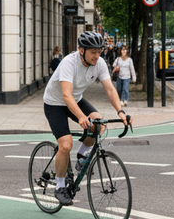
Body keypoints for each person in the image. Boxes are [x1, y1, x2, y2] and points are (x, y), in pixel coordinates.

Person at [42, 30, 130, 207]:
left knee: (99, 123)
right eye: (93, 52)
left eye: (99, 52)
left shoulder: (100, 64)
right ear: (82, 50)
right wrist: (81, 117)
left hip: (77, 100)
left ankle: (82, 156)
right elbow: (66, 95)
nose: (97, 56)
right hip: (55, 103)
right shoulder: (69, 63)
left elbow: (110, 89)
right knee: (66, 144)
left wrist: (120, 112)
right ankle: (59, 186)